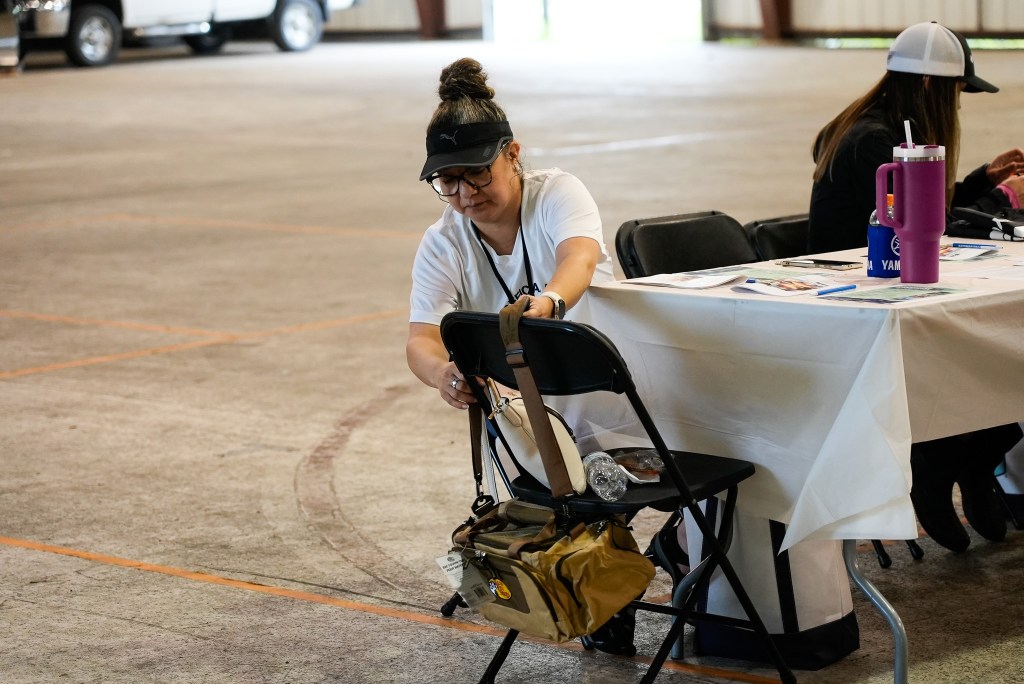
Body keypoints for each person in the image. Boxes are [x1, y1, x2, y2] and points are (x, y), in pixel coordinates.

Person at [807, 22, 1024, 552]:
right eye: (956, 91)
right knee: (985, 354)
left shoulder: (878, 128)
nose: (958, 104)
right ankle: (943, 464)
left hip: (892, 285)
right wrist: (1005, 200)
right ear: (931, 85)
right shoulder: (874, 142)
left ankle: (972, 463)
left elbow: (926, 211)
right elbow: (925, 225)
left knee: (1002, 352)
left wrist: (983, 181)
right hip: (863, 300)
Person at [406, 57, 614, 412]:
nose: (467, 192)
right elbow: (421, 339)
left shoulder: (557, 193)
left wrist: (550, 301)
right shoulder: (443, 243)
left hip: (603, 390)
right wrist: (442, 373)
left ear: (513, 154)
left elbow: (579, 258)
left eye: (478, 172)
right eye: (448, 180)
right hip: (518, 407)